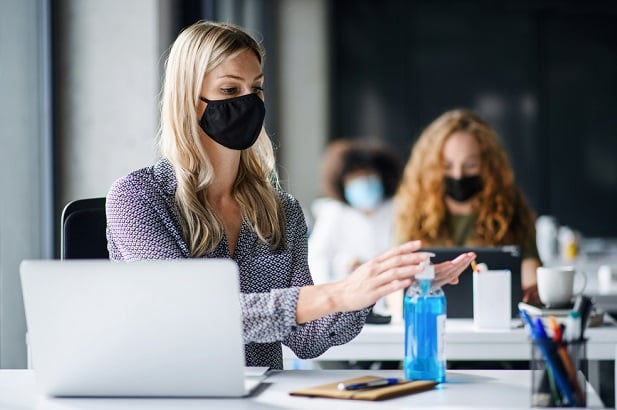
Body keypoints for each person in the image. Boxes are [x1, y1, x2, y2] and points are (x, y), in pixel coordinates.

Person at [105, 21, 476, 370]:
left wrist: (372, 289)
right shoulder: (138, 198)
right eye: (230, 90)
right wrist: (336, 294)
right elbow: (190, 314)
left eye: (257, 88)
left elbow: (307, 339)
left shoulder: (280, 209)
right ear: (188, 99)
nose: (248, 102)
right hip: (171, 397)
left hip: (262, 399)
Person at [395, 109, 540, 304]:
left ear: (488, 165)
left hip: (494, 321)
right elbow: (395, 283)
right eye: (447, 166)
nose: (458, 175)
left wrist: (533, 290)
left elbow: (529, 268)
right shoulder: (412, 210)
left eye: (470, 165)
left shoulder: (510, 207)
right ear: (431, 168)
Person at [308, 139, 402, 320]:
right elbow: (316, 258)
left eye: (368, 176)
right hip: (344, 304)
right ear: (341, 182)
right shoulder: (333, 212)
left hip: (391, 303)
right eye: (354, 178)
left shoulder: (398, 209)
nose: (363, 184)